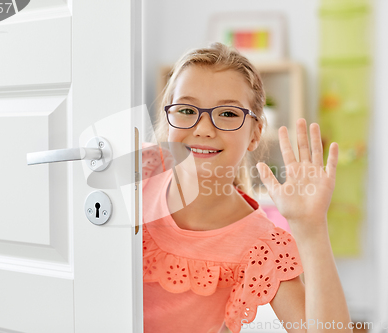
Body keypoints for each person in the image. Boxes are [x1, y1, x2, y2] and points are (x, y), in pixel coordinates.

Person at [141, 42, 351, 333]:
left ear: (255, 134)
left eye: (227, 114)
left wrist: (311, 227)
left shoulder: (260, 244)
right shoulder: (138, 175)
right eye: (187, 109)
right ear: (168, 120)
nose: (203, 128)